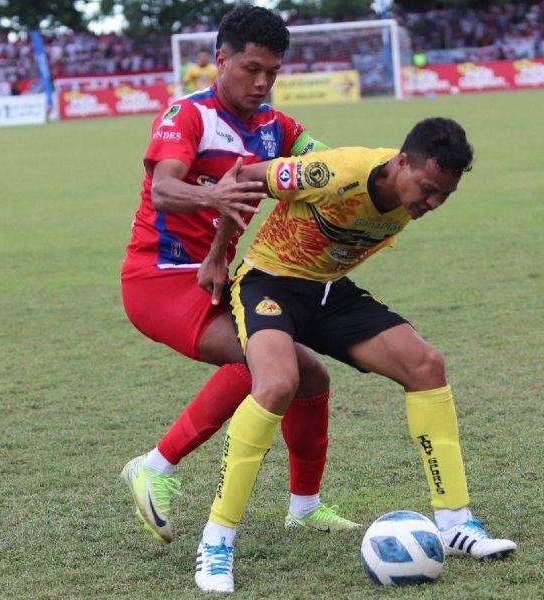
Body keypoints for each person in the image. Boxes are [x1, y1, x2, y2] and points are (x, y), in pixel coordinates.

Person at [193, 118, 517, 593]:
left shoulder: (415, 190)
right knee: (278, 383)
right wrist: (219, 253)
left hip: (327, 291)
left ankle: (454, 524)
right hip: (271, 282)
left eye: (442, 196)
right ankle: (217, 541)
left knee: (426, 365)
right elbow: (241, 179)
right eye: (427, 189)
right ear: (401, 162)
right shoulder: (333, 173)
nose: (430, 203)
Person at [119, 5, 358, 547]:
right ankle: (153, 466)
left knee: (311, 378)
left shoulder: (278, 128)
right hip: (158, 280)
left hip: (217, 278)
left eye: (272, 72)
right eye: (251, 68)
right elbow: (163, 189)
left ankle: (305, 508)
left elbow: (329, 163)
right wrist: (212, 193)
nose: (262, 82)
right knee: (262, 366)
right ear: (219, 59)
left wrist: (376, 173)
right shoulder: (188, 115)